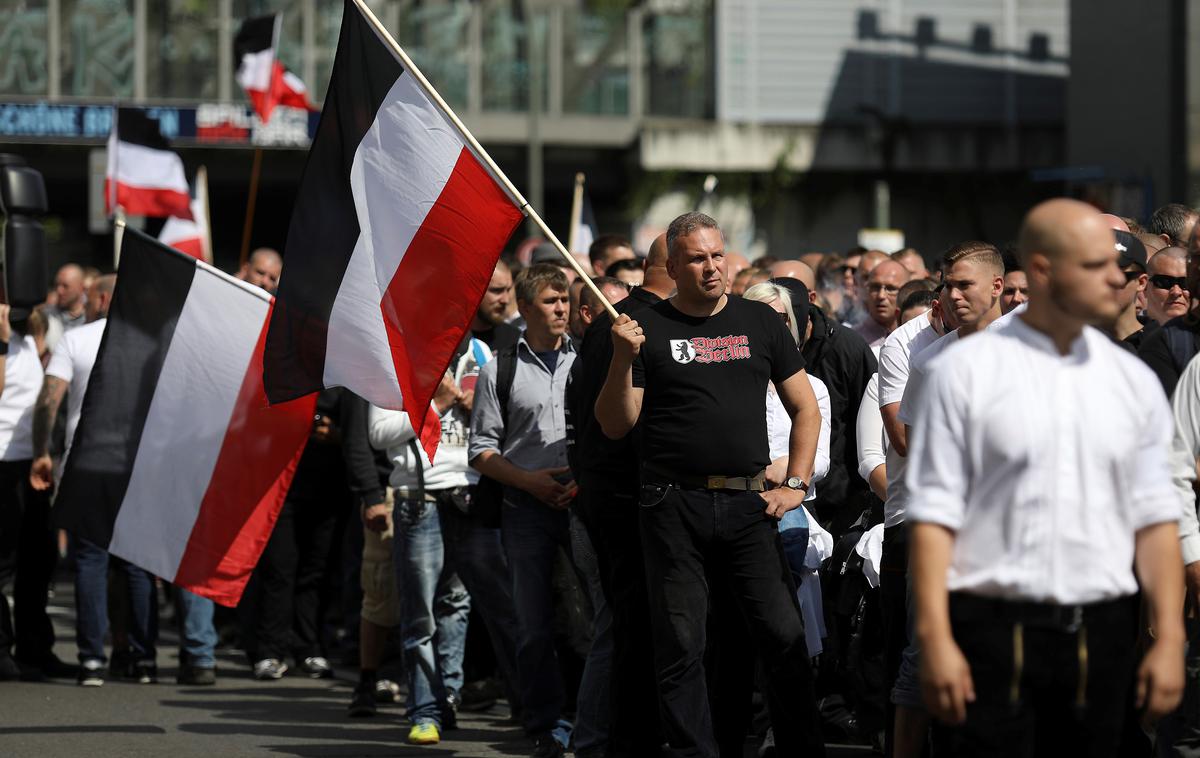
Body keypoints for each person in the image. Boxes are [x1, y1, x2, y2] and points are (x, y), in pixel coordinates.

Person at [907, 198, 1185, 756]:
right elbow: (934, 517)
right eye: (1094, 264)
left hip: (1099, 633)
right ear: (1041, 270)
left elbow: (1155, 515)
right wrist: (936, 638)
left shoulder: (1130, 380)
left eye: (1122, 268)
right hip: (990, 631)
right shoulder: (962, 373)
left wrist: (1170, 636)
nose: (1118, 278)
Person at [595, 212, 826, 758]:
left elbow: (806, 408)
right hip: (673, 505)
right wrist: (622, 360)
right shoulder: (646, 330)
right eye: (697, 258)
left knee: (783, 638)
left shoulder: (760, 323)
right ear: (672, 266)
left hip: (750, 505)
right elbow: (614, 424)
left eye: (717, 255)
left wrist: (796, 481)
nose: (711, 267)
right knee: (681, 645)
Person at [568, 235, 672, 758]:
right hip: (628, 498)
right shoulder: (635, 325)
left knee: (624, 626)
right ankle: (609, 742)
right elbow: (615, 422)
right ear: (672, 266)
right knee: (629, 629)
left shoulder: (617, 320)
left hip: (607, 495)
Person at [470, 263, 577, 758]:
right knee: (531, 622)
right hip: (525, 509)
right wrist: (530, 482)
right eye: (552, 301)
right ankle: (544, 721)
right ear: (527, 307)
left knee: (590, 619)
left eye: (565, 300)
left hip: (581, 505)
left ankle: (589, 715)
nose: (562, 309)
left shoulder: (588, 361)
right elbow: (482, 450)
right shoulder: (500, 368)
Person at [31, 276, 159, 687]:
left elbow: (50, 399)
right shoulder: (153, 340)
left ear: (103, 298)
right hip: (137, 462)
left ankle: (91, 660)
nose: (85, 305)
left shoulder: (76, 339)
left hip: (86, 461)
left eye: (89, 298)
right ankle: (143, 659)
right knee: (137, 564)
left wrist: (41, 452)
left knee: (90, 561)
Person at [368, 378, 475, 745]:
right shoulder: (395, 365)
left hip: (468, 495)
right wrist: (437, 406)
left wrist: (484, 410)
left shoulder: (480, 353)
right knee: (420, 614)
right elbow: (379, 433)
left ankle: (447, 698)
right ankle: (425, 710)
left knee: (457, 605)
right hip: (419, 498)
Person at [0, 300, 68, 682]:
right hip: (2, 462)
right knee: (3, 561)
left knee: (39, 558)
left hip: (32, 461)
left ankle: (34, 646)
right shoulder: (5, 342)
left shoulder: (27, 342)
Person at [1105, 230, 1149, 349]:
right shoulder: (1074, 339)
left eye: (1118, 276)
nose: (1105, 283)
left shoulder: (1158, 344)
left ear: (1141, 282)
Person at [855, 260, 912, 349]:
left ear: (907, 292)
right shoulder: (851, 340)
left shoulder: (917, 335)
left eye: (891, 288)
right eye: (875, 287)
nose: (881, 296)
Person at [42, 264, 87, 353]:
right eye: (57, 285)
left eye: (65, 286)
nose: (59, 290)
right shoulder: (46, 316)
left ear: (81, 287)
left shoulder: (93, 317)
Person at [1145, 247, 1190, 327]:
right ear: (1145, 286)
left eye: (1185, 283)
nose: (1176, 292)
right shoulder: (1124, 337)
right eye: (1165, 282)